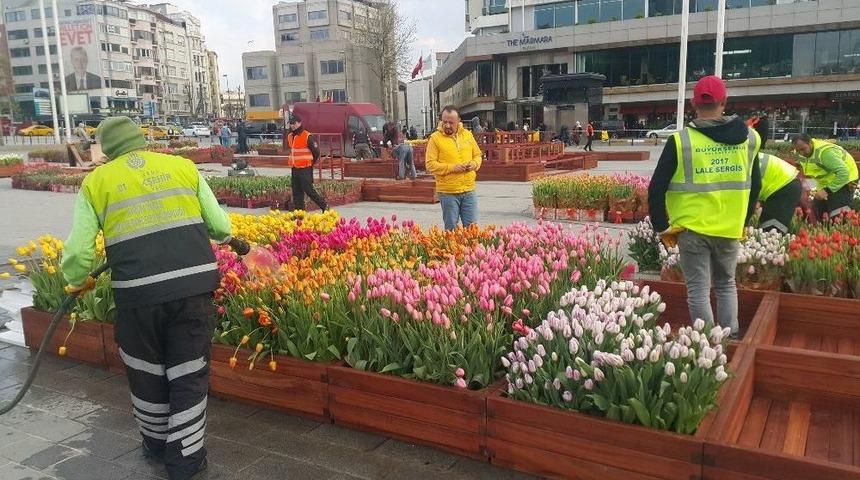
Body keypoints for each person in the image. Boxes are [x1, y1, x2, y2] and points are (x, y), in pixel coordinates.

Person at [60, 117, 234, 480]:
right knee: (188, 373)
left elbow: (78, 253)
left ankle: (156, 445)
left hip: (137, 295)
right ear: (142, 139)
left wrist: (76, 282)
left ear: (106, 149)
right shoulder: (182, 167)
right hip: (191, 290)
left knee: (146, 370)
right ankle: (185, 459)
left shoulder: (96, 182)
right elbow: (220, 227)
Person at [648, 75, 762, 338]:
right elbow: (753, 185)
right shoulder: (750, 139)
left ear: (693, 103)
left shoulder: (681, 141)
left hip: (692, 229)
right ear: (724, 101)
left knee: (698, 289)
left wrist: (661, 226)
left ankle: (708, 346)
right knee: (726, 285)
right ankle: (730, 338)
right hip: (730, 227)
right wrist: (743, 221)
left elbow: (656, 187)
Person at [426, 105, 483, 230]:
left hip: (469, 190)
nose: (447, 125)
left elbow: (478, 155)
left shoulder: (467, 135)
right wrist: (453, 168)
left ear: (458, 122)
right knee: (451, 229)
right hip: (448, 192)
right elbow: (430, 164)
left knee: (472, 229)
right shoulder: (435, 139)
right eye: (444, 121)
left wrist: (474, 164)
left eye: (451, 123)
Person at [792, 134, 858, 219]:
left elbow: (844, 173)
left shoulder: (825, 153)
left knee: (838, 215)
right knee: (819, 214)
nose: (801, 153)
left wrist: (827, 190)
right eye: (798, 150)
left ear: (810, 143)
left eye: (803, 149)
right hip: (825, 182)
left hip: (845, 180)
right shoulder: (799, 153)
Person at [285, 114, 328, 212]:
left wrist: (310, 163)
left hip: (305, 168)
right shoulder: (290, 136)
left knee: (309, 190)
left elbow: (316, 152)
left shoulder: (307, 136)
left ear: (300, 123)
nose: (292, 125)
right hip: (295, 168)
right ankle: (299, 213)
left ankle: (324, 206)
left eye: (294, 123)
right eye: (291, 123)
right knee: (296, 192)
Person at [757, 153, 802, 233]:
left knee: (771, 231)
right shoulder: (741, 154)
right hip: (782, 182)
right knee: (765, 230)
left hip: (783, 187)